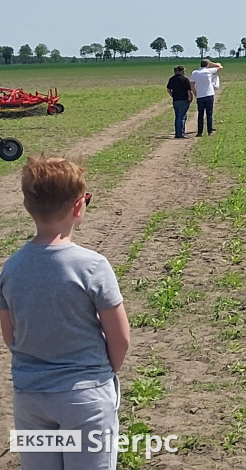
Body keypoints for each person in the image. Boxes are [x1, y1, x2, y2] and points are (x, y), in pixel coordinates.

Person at [0, 156, 131, 470]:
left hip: (31, 399)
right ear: (77, 207)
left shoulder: (11, 268)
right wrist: (100, 374)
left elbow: (11, 336)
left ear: (29, 206)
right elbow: (121, 338)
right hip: (85, 400)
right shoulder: (93, 266)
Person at [190, 58, 223, 136]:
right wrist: (212, 63)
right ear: (207, 65)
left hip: (200, 96)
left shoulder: (195, 73)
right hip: (209, 95)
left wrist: (196, 94)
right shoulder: (209, 71)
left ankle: (199, 132)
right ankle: (209, 130)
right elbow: (220, 66)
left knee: (200, 114)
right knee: (209, 114)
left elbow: (192, 85)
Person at [166, 65, 194, 139]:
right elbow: (189, 91)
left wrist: (172, 95)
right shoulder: (185, 79)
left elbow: (168, 89)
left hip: (176, 100)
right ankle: (180, 133)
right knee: (182, 117)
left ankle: (177, 132)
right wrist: (190, 98)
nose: (184, 72)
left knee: (177, 116)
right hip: (184, 99)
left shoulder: (172, 79)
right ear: (181, 71)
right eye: (184, 71)